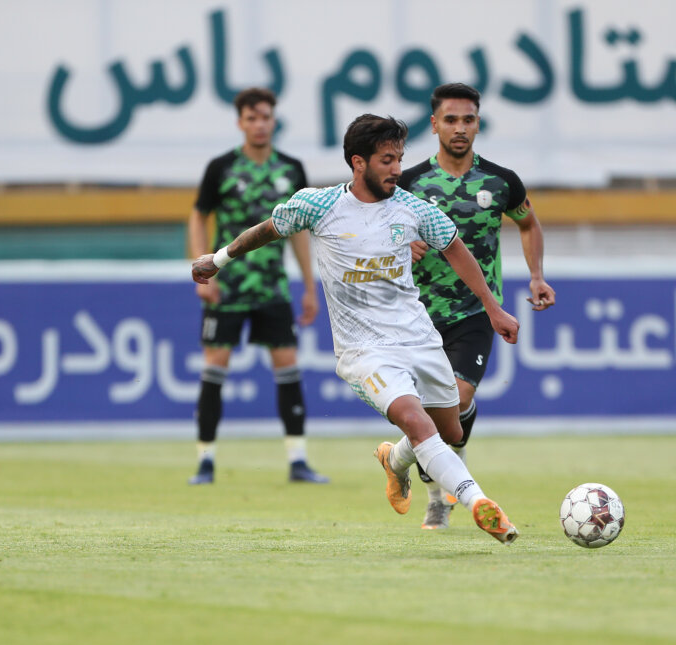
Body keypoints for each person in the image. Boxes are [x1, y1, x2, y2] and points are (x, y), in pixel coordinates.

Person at [192, 114, 521, 544]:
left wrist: (493, 308)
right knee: (417, 423)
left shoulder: (414, 209)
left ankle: (394, 460)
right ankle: (478, 502)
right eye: (387, 160)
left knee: (450, 430)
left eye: (399, 158)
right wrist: (218, 259)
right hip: (364, 351)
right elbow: (265, 231)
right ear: (358, 162)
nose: (397, 169)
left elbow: (456, 249)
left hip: (419, 338)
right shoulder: (318, 205)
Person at [398, 83, 556, 531]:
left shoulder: (501, 182)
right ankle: (438, 495)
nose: (460, 128)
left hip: (475, 313)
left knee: (457, 397)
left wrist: (537, 275)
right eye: (450, 120)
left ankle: (436, 483)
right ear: (434, 125)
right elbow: (381, 231)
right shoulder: (409, 184)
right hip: (417, 315)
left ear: (478, 123)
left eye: (468, 119)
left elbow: (528, 223)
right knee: (431, 413)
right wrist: (403, 245)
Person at [187, 87, 328, 485]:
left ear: (274, 120)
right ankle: (205, 461)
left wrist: (309, 286)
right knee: (215, 367)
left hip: (272, 288)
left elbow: (299, 231)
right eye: (252, 118)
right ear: (240, 123)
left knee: (288, 367)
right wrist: (201, 269)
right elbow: (198, 216)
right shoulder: (221, 168)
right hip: (226, 287)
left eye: (265, 117)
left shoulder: (291, 170)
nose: (259, 124)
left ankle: (298, 461)